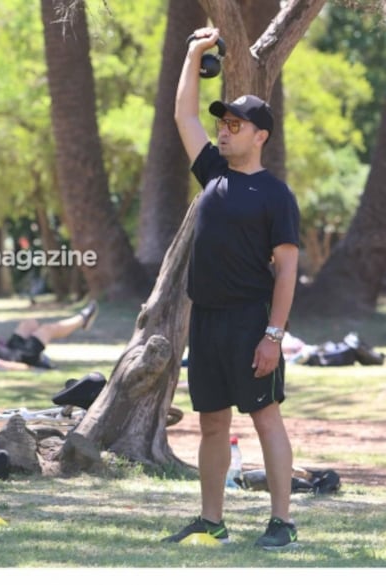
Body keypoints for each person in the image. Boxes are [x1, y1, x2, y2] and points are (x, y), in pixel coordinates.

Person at [162, 27, 301, 550]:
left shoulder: (275, 195)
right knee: (212, 423)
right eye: (223, 124)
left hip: (250, 320)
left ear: (259, 135)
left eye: (235, 125)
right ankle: (211, 519)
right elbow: (183, 116)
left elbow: (286, 271)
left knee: (265, 419)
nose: (223, 132)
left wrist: (273, 335)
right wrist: (193, 53)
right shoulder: (214, 174)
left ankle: (282, 521)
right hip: (209, 320)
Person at [0, 301, 98, 371]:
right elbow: (3, 365)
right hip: (21, 355)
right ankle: (82, 320)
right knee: (47, 329)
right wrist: (30, 368)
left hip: (11, 348)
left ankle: (40, 354)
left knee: (29, 323)